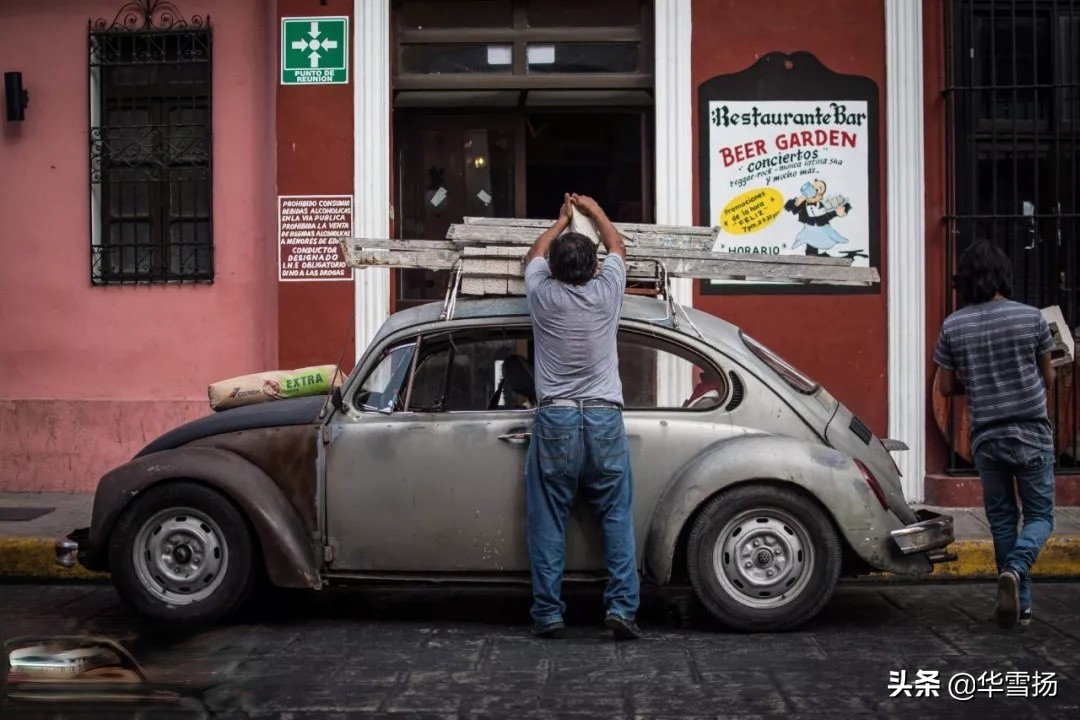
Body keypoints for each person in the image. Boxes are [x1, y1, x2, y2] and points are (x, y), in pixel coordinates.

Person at [522, 192, 641, 640]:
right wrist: (593, 210)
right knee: (616, 517)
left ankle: (548, 614)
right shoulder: (608, 291)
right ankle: (622, 609)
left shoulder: (542, 293)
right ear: (594, 268)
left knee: (548, 519)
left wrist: (560, 221)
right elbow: (618, 246)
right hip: (605, 417)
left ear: (553, 269)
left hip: (556, 419)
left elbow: (532, 255)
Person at [933, 239, 1057, 629]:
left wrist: (980, 380)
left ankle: (1021, 605)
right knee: (1040, 516)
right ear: (1003, 274)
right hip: (1032, 432)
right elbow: (1049, 379)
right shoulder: (1031, 318)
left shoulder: (953, 325)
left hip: (987, 437)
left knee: (1002, 521)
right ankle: (1017, 568)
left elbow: (946, 387)